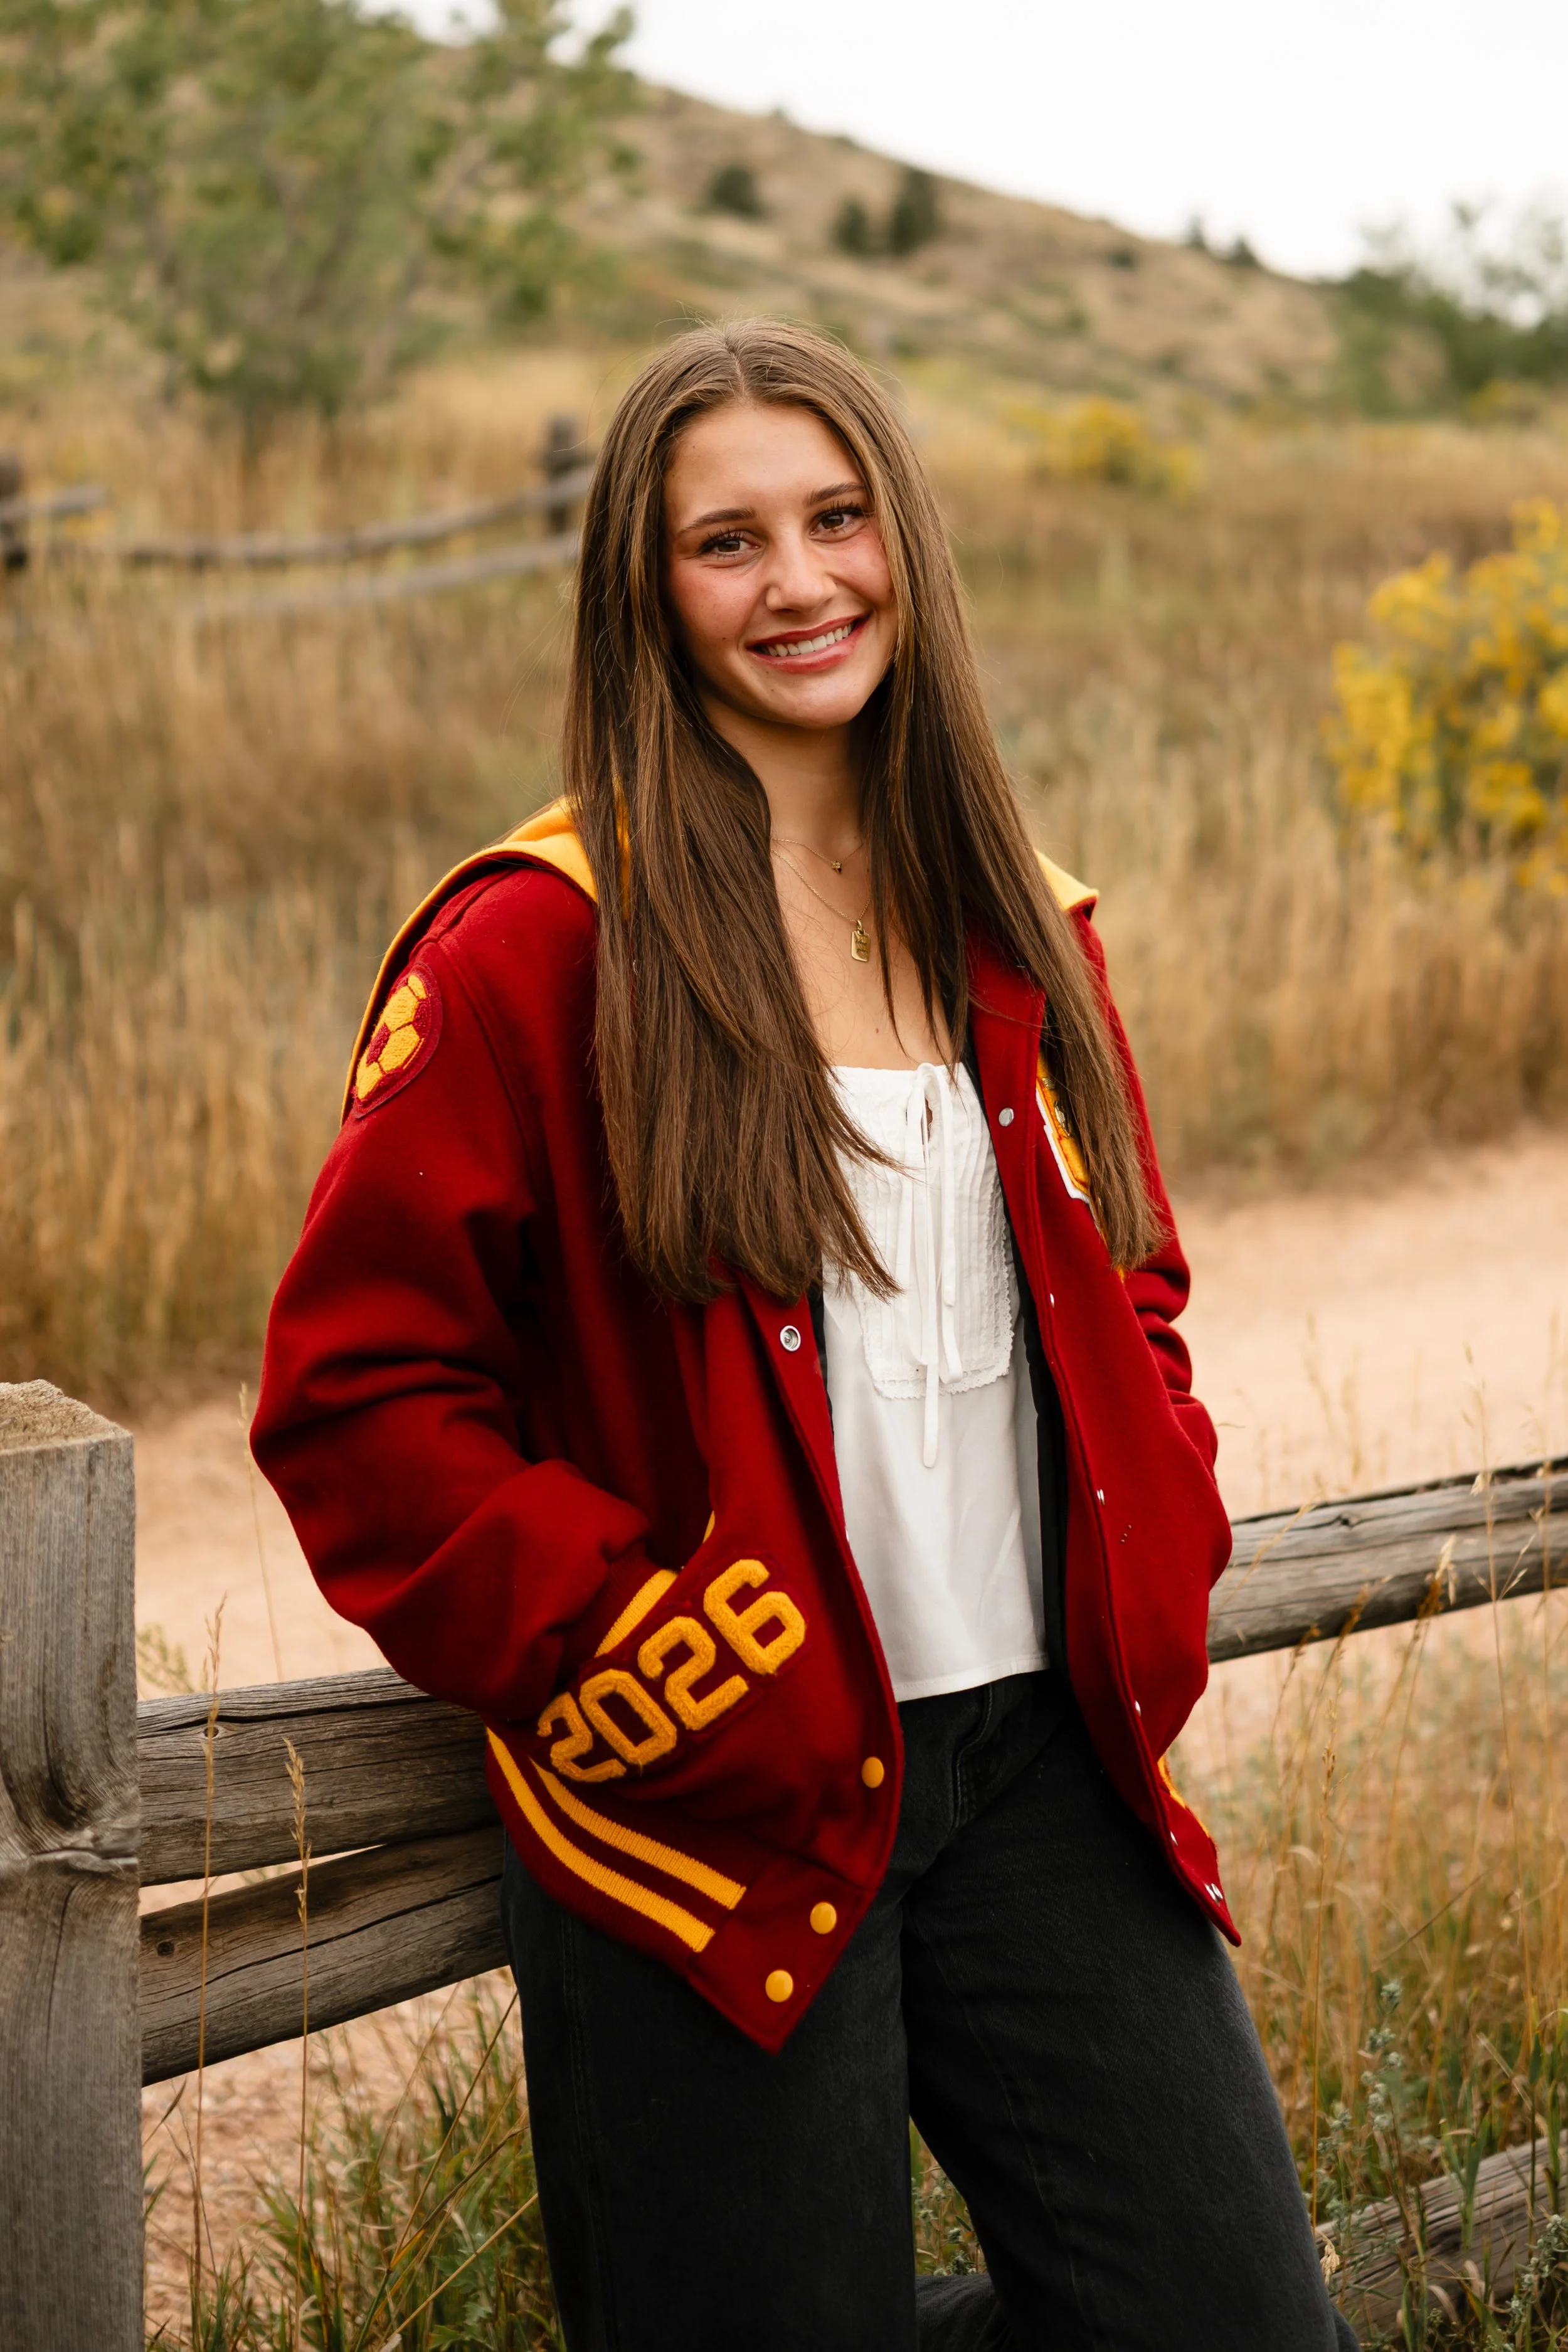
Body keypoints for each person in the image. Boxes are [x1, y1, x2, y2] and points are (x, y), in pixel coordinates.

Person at [253, 318, 1357, 2352]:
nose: (799, 583)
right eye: (726, 542)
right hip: (715, 1801)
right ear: (647, 591)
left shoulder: (1017, 906)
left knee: (1229, 2317)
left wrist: (1160, 1529)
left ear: (905, 541)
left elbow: (1135, 1284)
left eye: (837, 519)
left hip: (1045, 1765)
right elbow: (357, 1399)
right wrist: (629, 1644)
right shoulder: (534, 942)